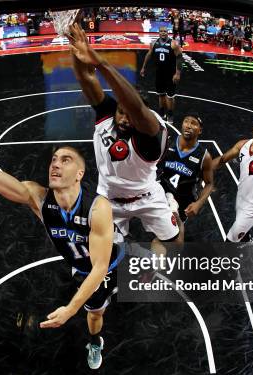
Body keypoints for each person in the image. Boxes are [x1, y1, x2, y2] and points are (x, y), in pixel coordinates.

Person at [0, 112, 121, 370]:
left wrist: (69, 309)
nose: (55, 164)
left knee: (136, 289)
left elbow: (100, 267)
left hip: (112, 261)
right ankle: (96, 342)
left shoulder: (98, 208)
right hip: (82, 267)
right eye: (53, 160)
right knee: (95, 315)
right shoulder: (39, 199)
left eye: (66, 160)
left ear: (80, 173)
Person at [70, 23, 180, 253]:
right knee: (104, 250)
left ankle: (171, 212)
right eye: (121, 112)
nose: (124, 118)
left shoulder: (152, 132)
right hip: (109, 198)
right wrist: (77, 50)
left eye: (130, 114)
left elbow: (136, 109)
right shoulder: (108, 114)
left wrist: (102, 62)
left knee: (174, 242)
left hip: (147, 196)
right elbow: (87, 79)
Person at [157, 114, 214, 240]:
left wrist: (198, 203)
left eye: (193, 123)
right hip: (161, 192)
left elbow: (209, 184)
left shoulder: (204, 156)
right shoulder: (168, 142)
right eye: (186, 121)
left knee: (174, 237)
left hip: (184, 201)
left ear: (200, 130)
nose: (188, 125)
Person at [140, 26, 183, 123]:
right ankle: (161, 113)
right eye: (161, 31)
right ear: (158, 32)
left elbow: (179, 58)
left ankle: (170, 114)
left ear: (168, 32)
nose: (163, 33)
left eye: (165, 31)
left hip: (170, 74)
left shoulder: (173, 44)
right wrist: (143, 67)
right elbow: (149, 54)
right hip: (159, 73)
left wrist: (177, 73)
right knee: (161, 95)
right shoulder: (154, 43)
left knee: (170, 96)